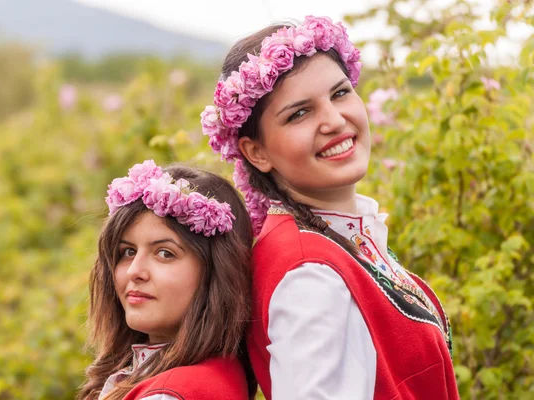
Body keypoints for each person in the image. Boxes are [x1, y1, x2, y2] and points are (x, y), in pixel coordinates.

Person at [200, 15, 459, 400]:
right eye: (299, 113)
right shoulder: (309, 277)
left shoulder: (336, 238)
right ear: (256, 152)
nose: (335, 121)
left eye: (340, 93)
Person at [77, 160, 256, 400]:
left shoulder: (170, 394)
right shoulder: (222, 373)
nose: (134, 271)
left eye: (164, 253)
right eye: (128, 252)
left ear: (217, 273)